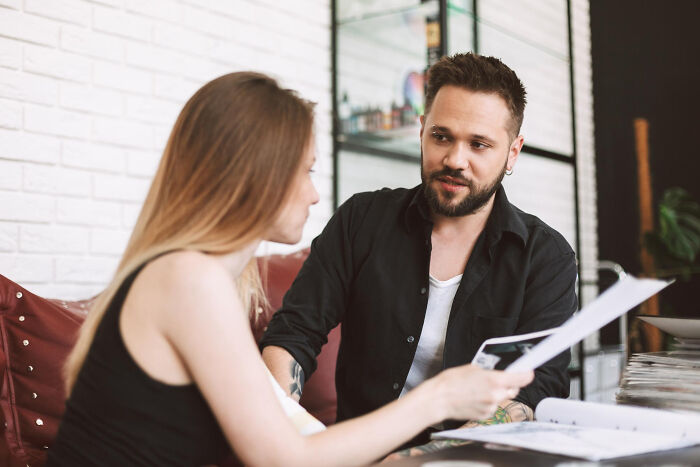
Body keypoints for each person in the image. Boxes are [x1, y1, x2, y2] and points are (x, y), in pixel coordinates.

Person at [47, 71, 533, 466]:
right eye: (305, 170)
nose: (315, 193)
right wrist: (438, 400)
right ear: (255, 175)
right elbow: (283, 459)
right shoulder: (188, 280)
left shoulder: (202, 276)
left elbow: (279, 428)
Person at [261, 53, 578, 449]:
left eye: (479, 144)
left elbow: (538, 388)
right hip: (360, 453)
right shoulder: (361, 219)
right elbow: (294, 333)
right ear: (422, 129)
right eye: (441, 136)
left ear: (513, 152)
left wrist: (422, 459)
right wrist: (282, 436)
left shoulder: (546, 257)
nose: (454, 160)